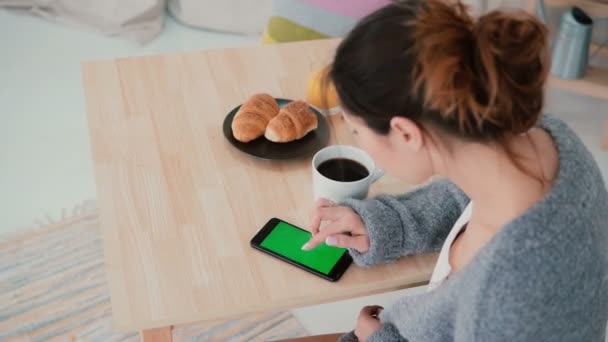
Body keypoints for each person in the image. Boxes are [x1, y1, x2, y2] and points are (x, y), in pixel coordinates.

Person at [281, 0, 608, 341]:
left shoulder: (505, 293)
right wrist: (384, 223)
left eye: (356, 132)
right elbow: (468, 196)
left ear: (406, 133)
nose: (359, 144)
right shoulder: (547, 140)